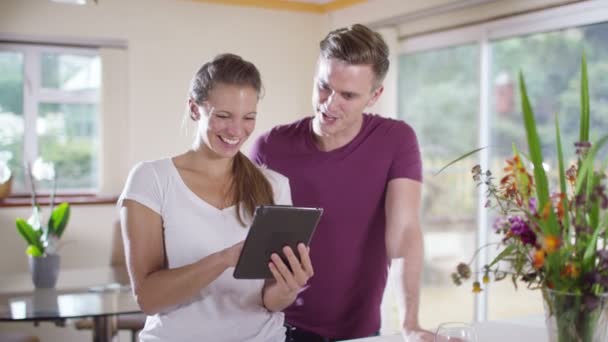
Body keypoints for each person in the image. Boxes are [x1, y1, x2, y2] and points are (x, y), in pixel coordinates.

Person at [250, 24, 432, 341]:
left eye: (348, 95)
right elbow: (244, 244)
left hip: (359, 333)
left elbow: (403, 236)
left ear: (375, 96)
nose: (330, 104)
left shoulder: (395, 141)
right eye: (324, 86)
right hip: (276, 328)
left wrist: (410, 323)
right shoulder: (270, 147)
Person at [118, 53, 314, 342]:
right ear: (195, 109)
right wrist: (224, 259)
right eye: (223, 116)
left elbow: (269, 300)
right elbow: (149, 298)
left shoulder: (275, 186)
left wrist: (288, 287)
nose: (237, 131)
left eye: (249, 118)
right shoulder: (152, 180)